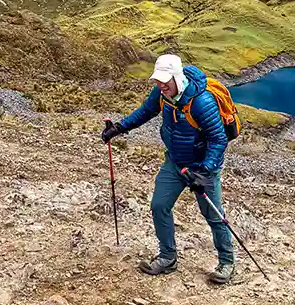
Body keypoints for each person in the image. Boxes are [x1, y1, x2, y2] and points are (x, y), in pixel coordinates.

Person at [101, 53, 235, 284]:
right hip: (174, 163)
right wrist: (120, 128)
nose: (160, 85)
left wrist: (204, 171)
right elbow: (145, 112)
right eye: (158, 80)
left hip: (202, 169)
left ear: (176, 77)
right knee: (159, 205)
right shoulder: (162, 93)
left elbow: (218, 139)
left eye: (165, 80)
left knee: (213, 216)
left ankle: (227, 262)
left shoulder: (202, 102)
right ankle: (167, 257)